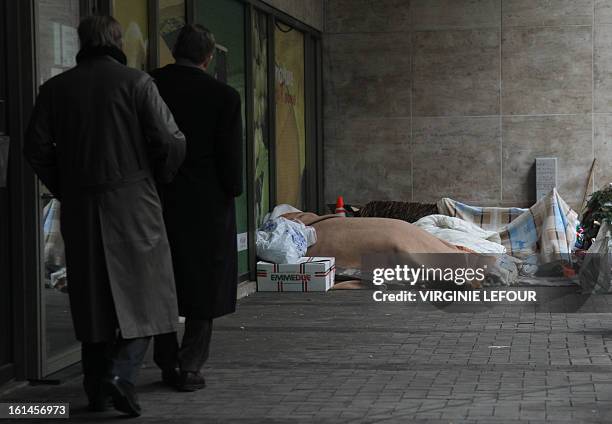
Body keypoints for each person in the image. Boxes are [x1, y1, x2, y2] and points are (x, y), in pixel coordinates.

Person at [24, 16, 186, 417]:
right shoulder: (136, 83)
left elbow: (36, 147)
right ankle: (121, 374)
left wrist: (67, 186)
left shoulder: (56, 88)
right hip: (134, 203)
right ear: (117, 40)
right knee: (150, 296)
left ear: (83, 42)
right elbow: (170, 140)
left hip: (81, 207)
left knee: (92, 299)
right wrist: (159, 176)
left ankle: (96, 388)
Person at [150, 24, 243, 392]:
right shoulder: (223, 96)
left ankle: (165, 358)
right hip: (207, 204)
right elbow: (230, 159)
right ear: (208, 56)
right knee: (204, 286)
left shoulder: (150, 85)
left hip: (159, 199)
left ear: (176, 51)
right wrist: (232, 190)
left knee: (161, 281)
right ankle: (189, 365)